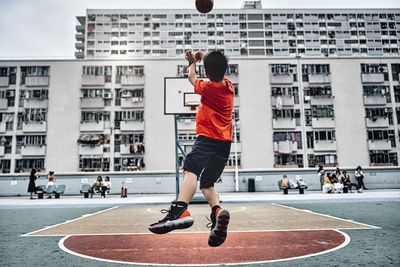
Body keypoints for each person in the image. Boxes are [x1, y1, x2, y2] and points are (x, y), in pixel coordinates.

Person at [148, 50, 233, 247]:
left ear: (208, 72)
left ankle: (180, 210)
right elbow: (216, 72)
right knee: (207, 183)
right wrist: (204, 61)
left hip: (207, 139)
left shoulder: (208, 88)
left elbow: (191, 76)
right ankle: (218, 211)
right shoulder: (229, 86)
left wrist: (193, 62)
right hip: (225, 144)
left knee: (190, 169)